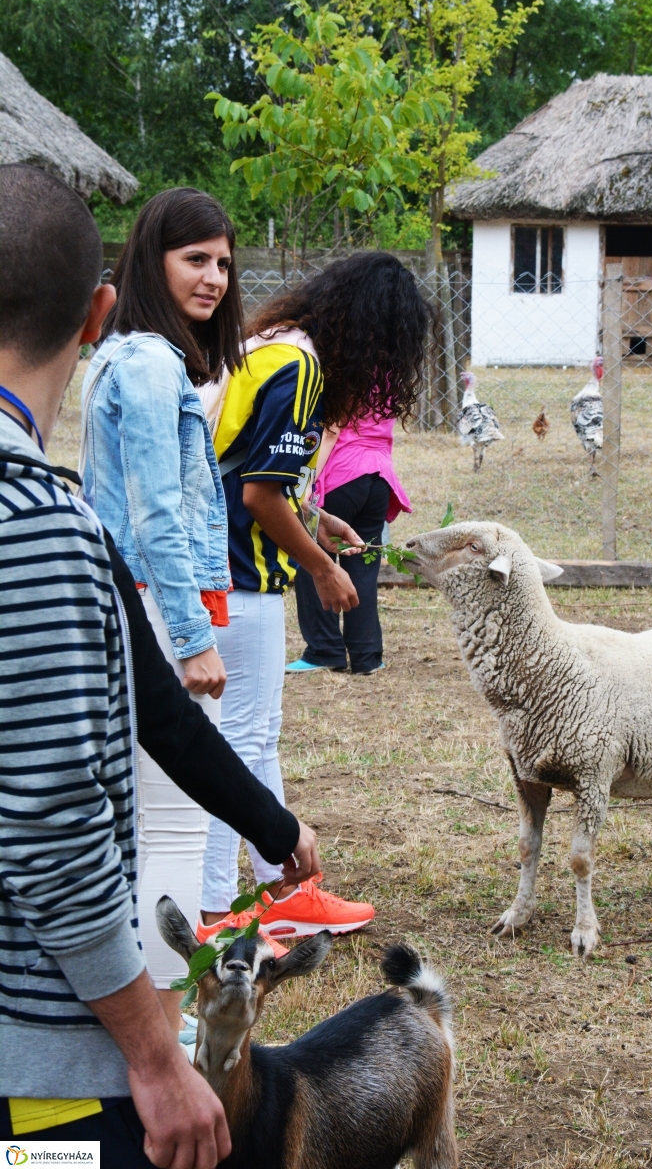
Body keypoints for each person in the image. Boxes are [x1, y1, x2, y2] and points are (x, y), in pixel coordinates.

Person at [0, 165, 318, 1162]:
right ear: (98, 311)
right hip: (33, 1079)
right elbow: (51, 833)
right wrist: (150, 1055)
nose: (216, 278)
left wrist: (271, 824)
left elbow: (153, 710)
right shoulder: (41, 536)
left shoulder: (64, 532)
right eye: (198, 257)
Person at [200, 252, 428, 937]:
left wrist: (314, 514)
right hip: (240, 579)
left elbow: (247, 467)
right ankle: (219, 909)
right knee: (238, 746)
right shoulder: (302, 369)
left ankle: (278, 890)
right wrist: (323, 566)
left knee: (246, 740)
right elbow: (257, 494)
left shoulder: (267, 348)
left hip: (220, 574)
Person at [80, 187, 245, 1035]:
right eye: (194, 260)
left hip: (137, 600)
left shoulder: (129, 359)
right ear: (152, 261)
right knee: (177, 825)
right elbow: (154, 516)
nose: (214, 277)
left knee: (144, 824)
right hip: (150, 605)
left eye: (222, 262)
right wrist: (190, 637)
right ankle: (171, 1023)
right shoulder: (148, 366)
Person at [287, 408, 412, 675]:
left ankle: (324, 649)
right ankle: (366, 655)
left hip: (340, 474)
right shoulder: (391, 368)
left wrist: (306, 481)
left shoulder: (348, 368)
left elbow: (332, 428)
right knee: (363, 566)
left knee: (312, 557)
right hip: (378, 475)